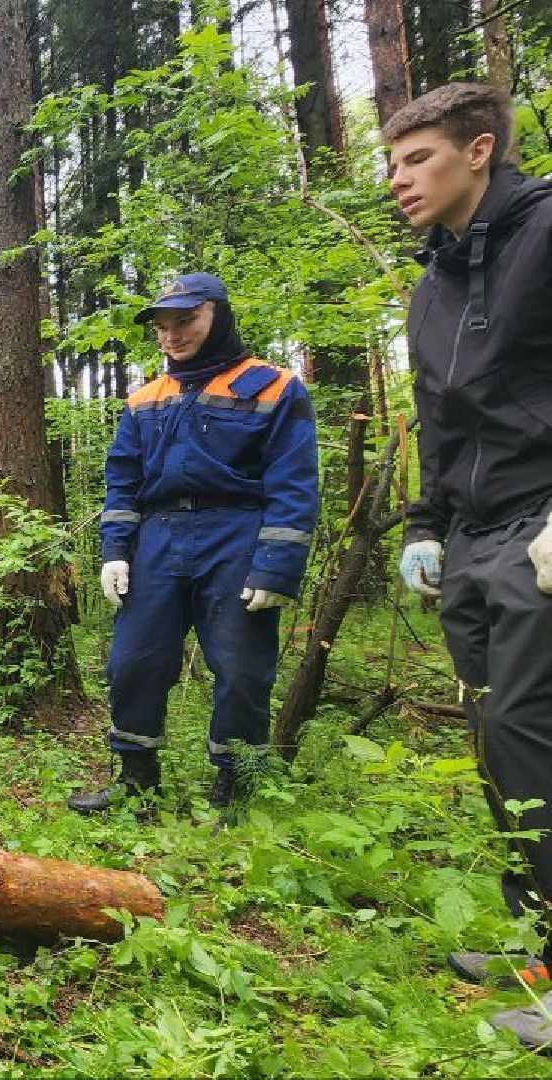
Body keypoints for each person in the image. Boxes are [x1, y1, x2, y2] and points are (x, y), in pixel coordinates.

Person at [384, 83, 552, 1047]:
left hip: (541, 525)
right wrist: (425, 524)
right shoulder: (430, 284)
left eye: (417, 160)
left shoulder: (544, 233)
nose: (398, 180)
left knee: (539, 728)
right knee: (499, 736)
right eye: (392, 164)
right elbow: (439, 422)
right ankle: (538, 934)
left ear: (478, 150)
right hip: (475, 536)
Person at [68, 272, 318, 815]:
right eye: (162, 326)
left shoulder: (273, 386)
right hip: (157, 538)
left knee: (241, 666)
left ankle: (237, 787)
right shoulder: (145, 400)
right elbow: (124, 480)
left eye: (185, 321)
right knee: (132, 660)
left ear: (218, 316)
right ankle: (137, 782)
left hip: (237, 534)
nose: (172, 336)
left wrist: (276, 566)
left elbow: (294, 484)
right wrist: (114, 549)